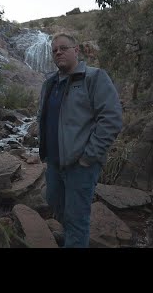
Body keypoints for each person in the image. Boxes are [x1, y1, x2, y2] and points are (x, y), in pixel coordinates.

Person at [37, 33, 123, 248]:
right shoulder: (49, 84)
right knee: (58, 208)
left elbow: (111, 119)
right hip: (54, 164)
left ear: (76, 50)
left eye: (63, 48)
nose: (58, 52)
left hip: (80, 166)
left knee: (77, 220)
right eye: (54, 50)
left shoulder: (94, 77)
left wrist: (89, 156)